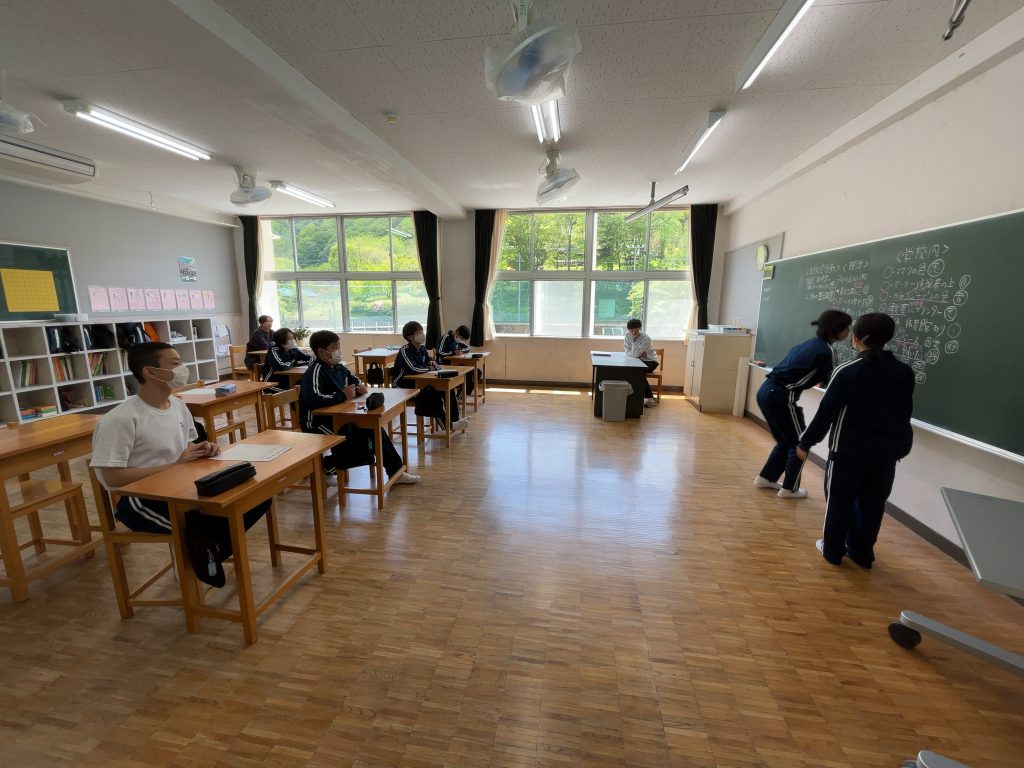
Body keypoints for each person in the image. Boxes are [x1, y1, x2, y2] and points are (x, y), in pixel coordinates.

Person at [90, 342, 270, 588]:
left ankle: (210, 551)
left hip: (181, 486)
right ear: (150, 372)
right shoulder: (121, 418)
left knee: (255, 497)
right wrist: (175, 464)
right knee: (196, 524)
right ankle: (204, 553)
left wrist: (204, 449)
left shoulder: (177, 405)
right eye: (175, 364)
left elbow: (188, 447)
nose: (182, 369)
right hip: (142, 499)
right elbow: (111, 479)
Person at [796, 313, 914, 568]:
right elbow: (904, 413)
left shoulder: (849, 370)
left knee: (839, 502)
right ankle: (862, 553)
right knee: (872, 504)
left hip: (847, 452)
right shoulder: (904, 372)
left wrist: (805, 443)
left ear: (857, 338)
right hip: (885, 454)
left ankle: (832, 551)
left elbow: (826, 413)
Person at [299, 329, 419, 485]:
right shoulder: (314, 372)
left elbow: (354, 379)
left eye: (339, 346)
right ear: (322, 352)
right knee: (360, 440)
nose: (339, 350)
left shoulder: (338, 367)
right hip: (318, 423)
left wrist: (359, 386)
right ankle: (324, 466)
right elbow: (313, 401)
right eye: (335, 347)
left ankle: (395, 471)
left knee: (374, 428)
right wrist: (342, 395)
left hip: (341, 415)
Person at [754, 309, 852, 499]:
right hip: (782, 396)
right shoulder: (827, 351)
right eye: (846, 328)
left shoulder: (809, 344)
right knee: (799, 444)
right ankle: (789, 489)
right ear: (835, 329)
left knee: (785, 441)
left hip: (766, 391)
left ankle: (766, 478)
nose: (849, 332)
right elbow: (831, 382)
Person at [392, 320, 469, 431]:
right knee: (432, 395)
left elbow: (429, 361)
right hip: (403, 387)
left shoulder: (422, 348)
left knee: (447, 389)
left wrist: (432, 363)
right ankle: (448, 426)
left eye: (421, 331)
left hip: (419, 383)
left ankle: (454, 420)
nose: (422, 334)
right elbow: (413, 369)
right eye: (418, 332)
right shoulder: (405, 351)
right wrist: (429, 368)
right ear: (410, 337)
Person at [623, 318, 660, 408]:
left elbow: (635, 354)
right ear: (628, 330)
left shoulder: (646, 338)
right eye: (631, 330)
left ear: (640, 328)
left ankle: (650, 398)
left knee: (638, 372)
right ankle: (635, 396)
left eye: (636, 329)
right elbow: (627, 351)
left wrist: (634, 342)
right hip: (638, 360)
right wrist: (637, 354)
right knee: (629, 371)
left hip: (650, 361)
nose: (634, 332)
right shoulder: (627, 335)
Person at [437, 324, 479, 396]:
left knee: (477, 372)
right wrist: (453, 353)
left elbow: (468, 348)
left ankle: (462, 395)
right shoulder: (446, 337)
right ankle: (461, 395)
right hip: (445, 364)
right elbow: (439, 352)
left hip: (455, 364)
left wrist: (461, 351)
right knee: (468, 374)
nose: (461, 340)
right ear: (457, 333)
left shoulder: (457, 339)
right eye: (462, 338)